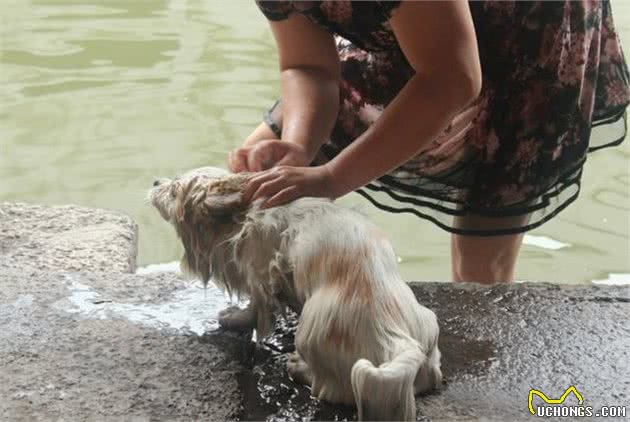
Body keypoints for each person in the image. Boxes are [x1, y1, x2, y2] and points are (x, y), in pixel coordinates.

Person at [228, 1, 630, 284]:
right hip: (419, 19)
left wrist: (332, 177)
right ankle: (279, 306)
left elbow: (453, 80)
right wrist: (299, 147)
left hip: (526, 23)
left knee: (480, 261)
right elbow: (308, 65)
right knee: (259, 177)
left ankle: (480, 383)